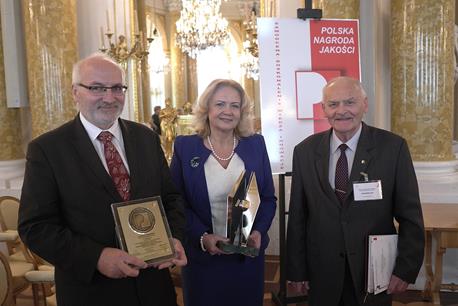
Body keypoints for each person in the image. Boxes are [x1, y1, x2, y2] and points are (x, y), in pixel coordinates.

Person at [18, 53, 187, 306]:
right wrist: (96, 257)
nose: (110, 97)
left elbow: (171, 198)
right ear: (75, 92)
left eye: (117, 88)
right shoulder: (48, 149)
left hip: (154, 288)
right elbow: (36, 227)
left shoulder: (146, 138)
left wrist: (173, 237)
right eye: (97, 88)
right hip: (92, 292)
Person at [286, 76, 425, 306]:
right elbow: (298, 216)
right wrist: (297, 269)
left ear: (364, 105)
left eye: (350, 102)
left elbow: (410, 216)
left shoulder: (393, 148)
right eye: (333, 104)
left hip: (373, 273)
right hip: (322, 272)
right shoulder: (304, 152)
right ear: (323, 109)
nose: (342, 111)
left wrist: (405, 269)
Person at [170, 79, 277, 306]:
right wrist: (203, 237)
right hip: (203, 259)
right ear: (206, 108)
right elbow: (177, 202)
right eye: (220, 104)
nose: (227, 111)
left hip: (247, 260)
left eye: (234, 105)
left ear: (242, 111)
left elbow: (268, 198)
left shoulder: (256, 144)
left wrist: (258, 231)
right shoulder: (185, 147)